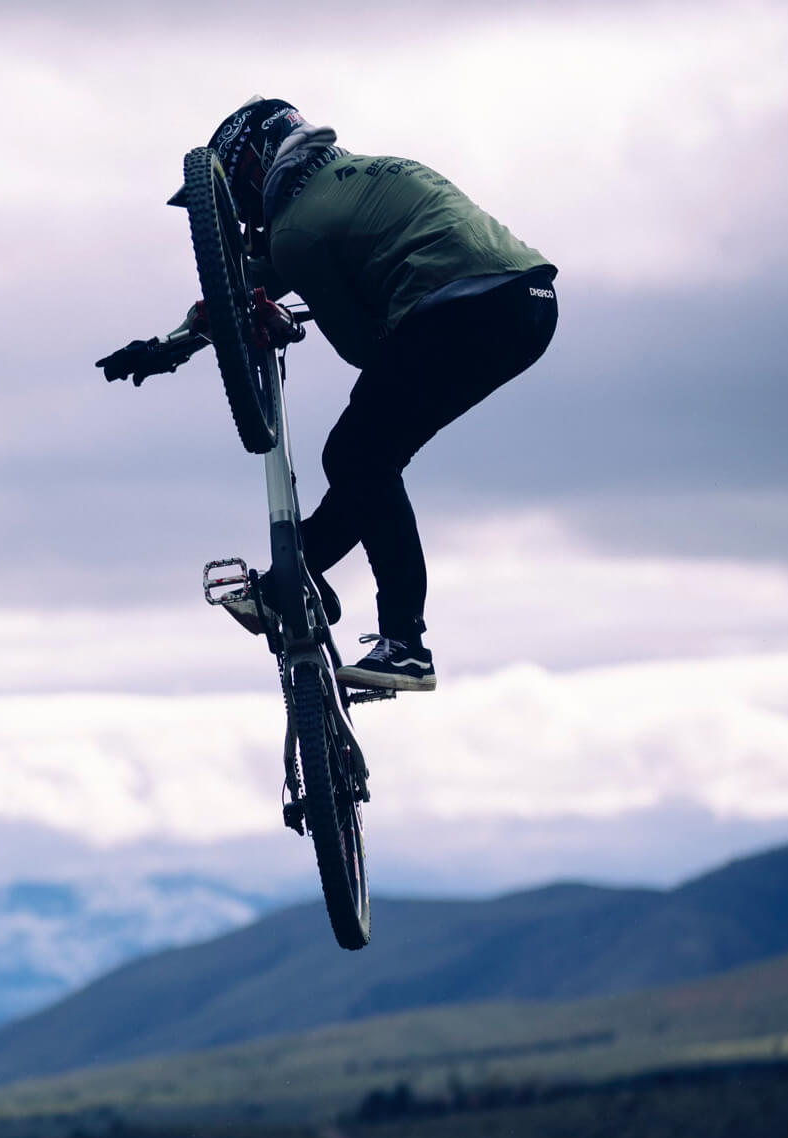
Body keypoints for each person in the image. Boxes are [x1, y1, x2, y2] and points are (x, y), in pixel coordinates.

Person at [100, 97, 557, 692]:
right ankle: (293, 579)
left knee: (357, 456)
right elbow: (242, 285)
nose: (238, 220)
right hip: (525, 304)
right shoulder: (349, 184)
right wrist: (172, 343)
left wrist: (287, 323)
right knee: (370, 459)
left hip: (462, 309)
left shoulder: (298, 231)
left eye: (234, 200)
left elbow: (363, 348)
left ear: (254, 171)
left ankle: (405, 644)